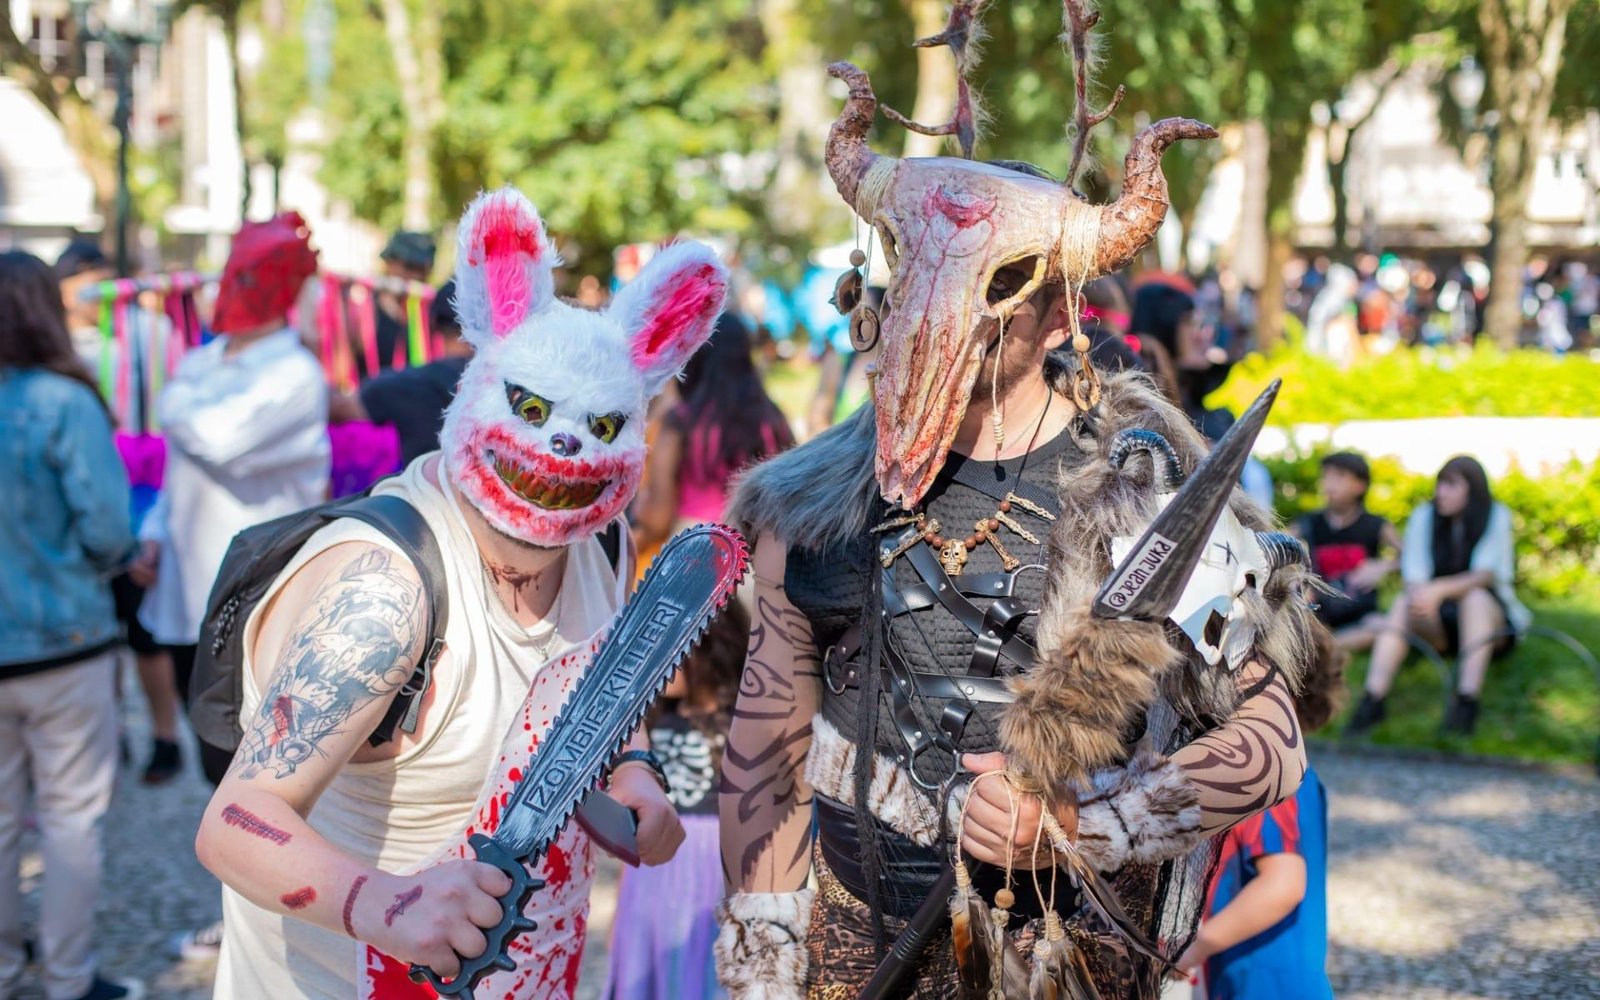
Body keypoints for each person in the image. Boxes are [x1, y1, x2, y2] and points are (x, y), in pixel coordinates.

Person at [713, 17, 1323, 996]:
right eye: (913, 271)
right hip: (853, 950)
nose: (943, 317)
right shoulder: (810, 504)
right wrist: (760, 964)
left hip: (1075, 953)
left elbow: (1269, 740)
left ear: (1058, 308)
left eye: (993, 287)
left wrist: (1094, 824)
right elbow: (764, 759)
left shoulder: (1142, 498)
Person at [193, 187, 721, 999]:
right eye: (535, 411)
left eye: (602, 427)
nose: (563, 444)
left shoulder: (598, 535)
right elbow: (234, 824)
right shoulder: (385, 589)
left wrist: (635, 775)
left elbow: (595, 691)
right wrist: (386, 903)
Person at [0, 251, 144, 1000]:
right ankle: (66, 978)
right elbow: (107, 529)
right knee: (70, 818)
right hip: (64, 642)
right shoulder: (63, 401)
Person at [1175, 631, 1343, 999]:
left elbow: (1283, 884)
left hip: (1263, 985)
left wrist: (1196, 947)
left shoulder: (1263, 778)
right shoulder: (1303, 776)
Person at [604, 599, 749, 1000]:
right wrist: (619, 912)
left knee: (703, 973)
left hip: (713, 872)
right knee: (651, 970)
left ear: (703, 646)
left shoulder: (741, 721)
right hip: (651, 873)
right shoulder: (650, 725)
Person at [1346, 455, 1531, 738]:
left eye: (1451, 485)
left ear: (1472, 490)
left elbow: (1485, 574)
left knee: (1476, 598)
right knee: (1402, 602)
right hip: (1437, 625)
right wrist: (1424, 597)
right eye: (1440, 484)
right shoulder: (1424, 516)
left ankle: (1467, 700)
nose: (1440, 493)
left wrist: (1440, 589)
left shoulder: (1495, 514)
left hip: (1491, 627)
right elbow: (1414, 575)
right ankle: (1373, 698)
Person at [632, 312, 794, 559]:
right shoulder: (772, 420)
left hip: (693, 552)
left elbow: (658, 517)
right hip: (756, 555)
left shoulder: (682, 420)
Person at [329, 280, 474, 465]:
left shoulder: (410, 385)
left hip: (427, 490)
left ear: (435, 322)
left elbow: (343, 407)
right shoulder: (509, 388)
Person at [1292, 452, 1401, 650]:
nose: (1329, 483)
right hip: (1319, 609)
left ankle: (1324, 648)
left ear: (1360, 485)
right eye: (1326, 476)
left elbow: (1414, 559)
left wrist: (1384, 566)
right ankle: (1325, 645)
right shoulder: (1309, 523)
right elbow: (1274, 548)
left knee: (1381, 628)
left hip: (1361, 613)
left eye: (1339, 476)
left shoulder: (1376, 525)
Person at [363, 230, 436, 378]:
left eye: (421, 270)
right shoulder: (364, 308)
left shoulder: (430, 313)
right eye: (409, 266)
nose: (416, 276)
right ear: (389, 263)